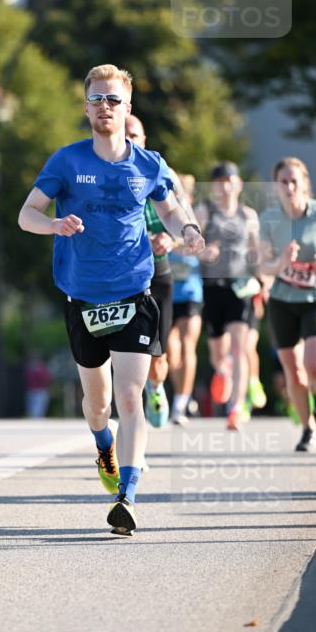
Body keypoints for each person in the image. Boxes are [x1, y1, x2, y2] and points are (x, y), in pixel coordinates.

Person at [18, 64, 205, 535]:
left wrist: (187, 230)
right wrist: (54, 224)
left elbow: (170, 208)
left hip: (134, 291)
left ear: (127, 108)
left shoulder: (148, 164)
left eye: (113, 99)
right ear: (86, 109)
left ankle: (128, 495)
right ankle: (103, 444)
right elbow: (26, 214)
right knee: (98, 404)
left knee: (129, 395)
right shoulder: (67, 162)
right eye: (97, 99)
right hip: (82, 296)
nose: (105, 106)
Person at [259, 157, 316, 451]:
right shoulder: (269, 220)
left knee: (314, 364)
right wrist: (281, 261)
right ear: (276, 186)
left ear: (304, 183)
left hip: (315, 298)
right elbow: (263, 266)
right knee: (293, 371)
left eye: (294, 181)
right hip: (282, 301)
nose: (289, 187)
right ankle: (308, 429)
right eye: (283, 182)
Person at [125, 116, 199, 428]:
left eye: (133, 134)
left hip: (158, 271)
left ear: (144, 140)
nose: (127, 139)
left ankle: (156, 387)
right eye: (123, 133)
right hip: (120, 273)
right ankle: (130, 414)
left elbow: (189, 227)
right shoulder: (101, 173)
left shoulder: (162, 173)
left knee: (158, 356)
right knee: (123, 353)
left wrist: (172, 240)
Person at [195, 162, 261, 431]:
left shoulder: (248, 215)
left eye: (229, 180)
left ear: (239, 184)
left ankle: (236, 407)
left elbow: (257, 251)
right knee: (218, 355)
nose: (225, 186)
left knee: (240, 347)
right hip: (212, 288)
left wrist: (263, 281)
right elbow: (191, 244)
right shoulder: (205, 210)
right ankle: (223, 371)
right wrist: (204, 253)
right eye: (220, 181)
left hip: (241, 288)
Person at [166, 174, 204, 424]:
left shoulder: (196, 217)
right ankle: (181, 395)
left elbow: (201, 247)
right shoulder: (163, 213)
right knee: (171, 351)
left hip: (190, 292)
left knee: (188, 345)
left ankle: (180, 402)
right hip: (167, 291)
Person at [24, 353, 52, 418]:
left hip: (40, 391)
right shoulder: (29, 369)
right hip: (31, 391)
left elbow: (47, 379)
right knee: (33, 411)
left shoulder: (42, 368)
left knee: (39, 411)